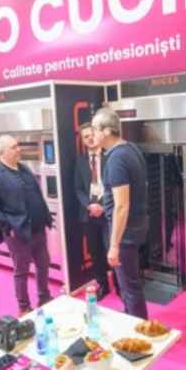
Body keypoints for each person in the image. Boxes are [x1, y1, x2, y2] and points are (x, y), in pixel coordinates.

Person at [0, 134, 53, 315]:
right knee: (22, 271)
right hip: (18, 234)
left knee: (43, 264)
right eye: (14, 147)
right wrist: (8, 226)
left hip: (38, 229)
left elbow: (36, 195)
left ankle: (44, 297)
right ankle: (24, 307)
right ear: (2, 152)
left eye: (18, 145)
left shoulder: (23, 168)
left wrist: (45, 217)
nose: (19, 149)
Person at [92, 107, 150, 319]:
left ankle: (138, 331)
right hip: (136, 227)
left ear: (107, 131)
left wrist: (114, 245)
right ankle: (133, 322)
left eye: (95, 129)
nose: (93, 133)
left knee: (129, 287)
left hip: (125, 233)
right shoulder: (130, 148)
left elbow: (121, 205)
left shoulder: (117, 158)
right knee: (131, 284)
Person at [73, 123, 111, 298]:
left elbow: (114, 186)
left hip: (108, 212)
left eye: (91, 134)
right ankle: (103, 284)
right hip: (88, 214)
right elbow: (78, 188)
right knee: (95, 253)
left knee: (111, 249)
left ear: (97, 134)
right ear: (82, 140)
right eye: (85, 136)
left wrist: (102, 205)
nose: (89, 138)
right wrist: (89, 205)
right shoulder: (80, 161)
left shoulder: (110, 156)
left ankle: (120, 286)